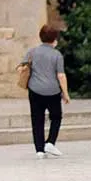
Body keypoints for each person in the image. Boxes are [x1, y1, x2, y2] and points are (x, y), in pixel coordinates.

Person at [26, 24, 70, 158]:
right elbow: (61, 75)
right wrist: (65, 93)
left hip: (35, 90)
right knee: (56, 117)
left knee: (37, 119)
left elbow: (22, 67)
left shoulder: (32, 52)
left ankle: (39, 150)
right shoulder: (57, 55)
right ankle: (50, 141)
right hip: (53, 91)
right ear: (54, 39)